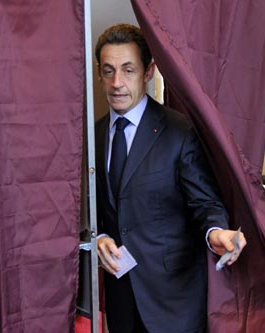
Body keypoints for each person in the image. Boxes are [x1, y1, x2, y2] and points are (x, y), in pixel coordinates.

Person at [94, 24, 247, 333]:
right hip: (122, 300)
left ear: (148, 71)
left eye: (128, 70)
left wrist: (216, 232)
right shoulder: (94, 134)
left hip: (174, 302)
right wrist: (99, 238)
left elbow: (205, 204)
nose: (117, 83)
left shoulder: (178, 131)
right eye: (108, 71)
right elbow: (90, 208)